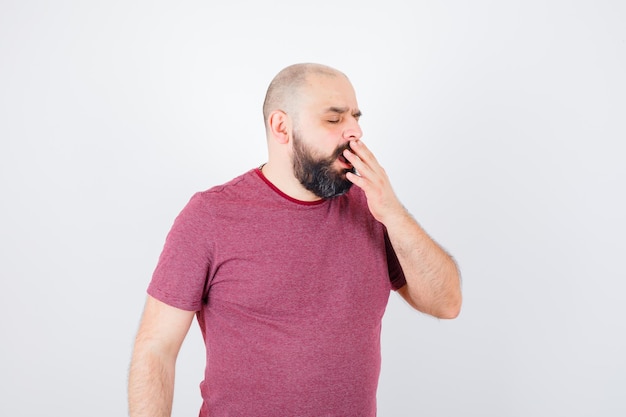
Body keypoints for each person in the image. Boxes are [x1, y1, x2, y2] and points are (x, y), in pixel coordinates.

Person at [128, 63, 462, 417]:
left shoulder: (374, 212)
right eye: (334, 120)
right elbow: (156, 349)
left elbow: (446, 304)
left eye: (355, 117)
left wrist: (393, 212)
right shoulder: (210, 215)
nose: (355, 131)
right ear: (282, 127)